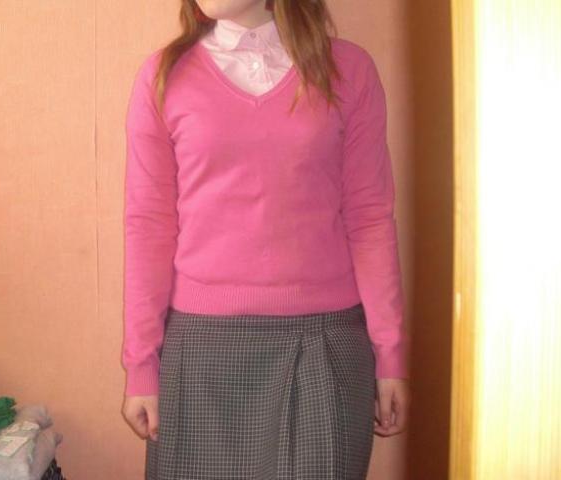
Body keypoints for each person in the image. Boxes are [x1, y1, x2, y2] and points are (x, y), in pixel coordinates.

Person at [121, 0, 411, 478]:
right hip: (201, 352)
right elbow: (148, 225)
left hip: (323, 346)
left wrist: (390, 355)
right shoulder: (164, 76)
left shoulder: (349, 70)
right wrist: (141, 365)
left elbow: (371, 218)